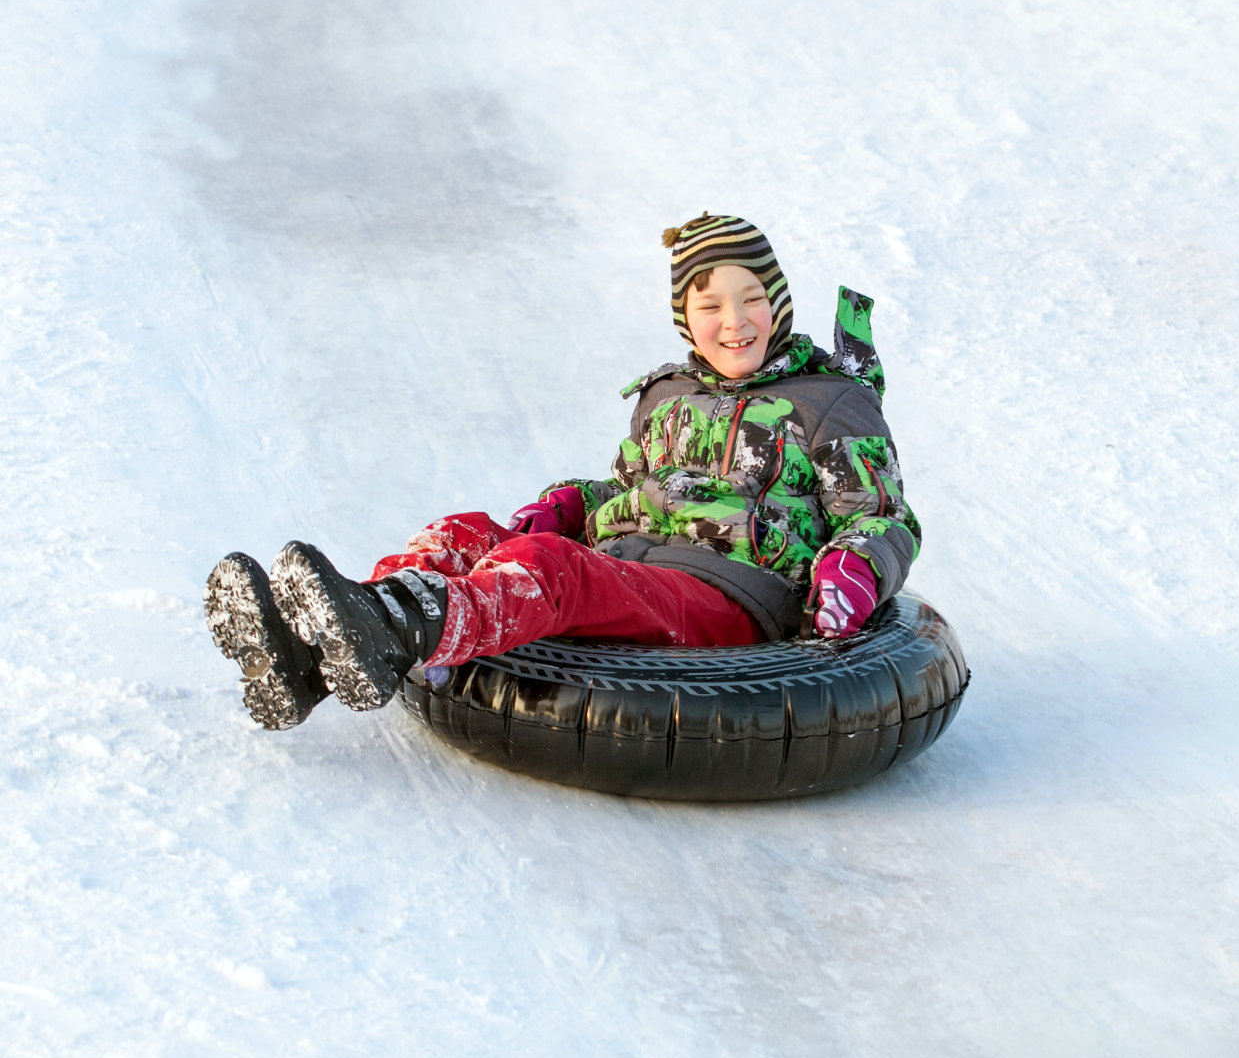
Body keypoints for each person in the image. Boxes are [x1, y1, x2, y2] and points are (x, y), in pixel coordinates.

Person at [204, 214, 922, 730]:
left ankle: (395, 626)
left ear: (779, 302)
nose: (734, 322)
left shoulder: (830, 403)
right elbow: (628, 488)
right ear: (686, 318)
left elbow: (880, 516)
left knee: (550, 567)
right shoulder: (667, 396)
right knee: (464, 531)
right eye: (711, 306)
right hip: (634, 562)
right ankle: (317, 653)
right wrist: (573, 504)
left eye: (753, 299)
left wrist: (855, 569)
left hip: (729, 592)